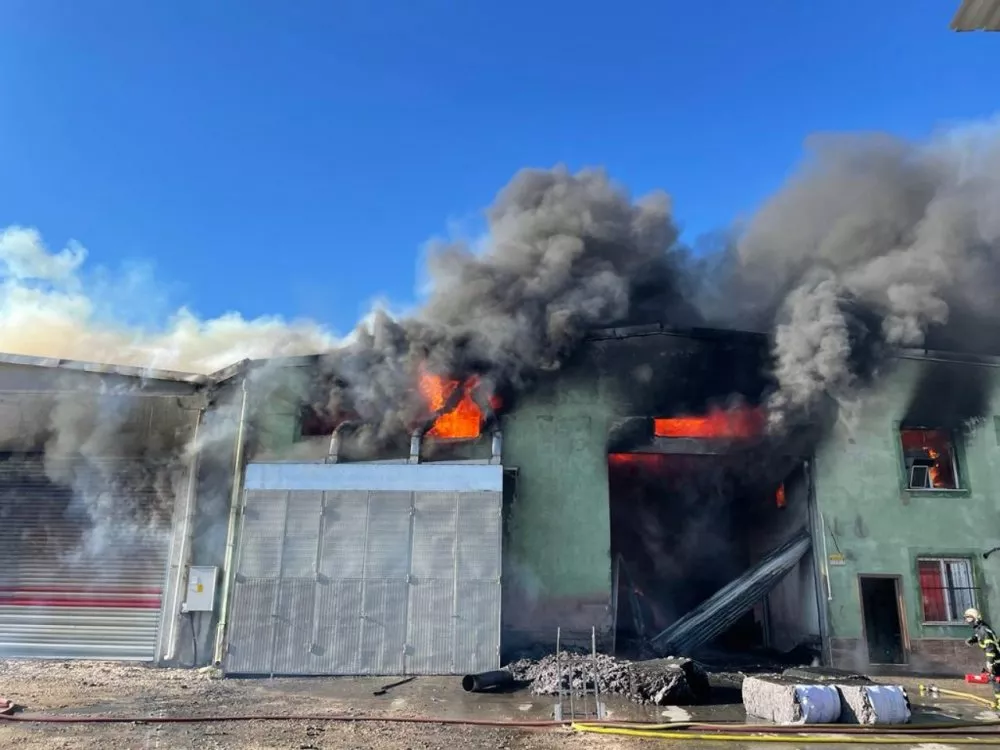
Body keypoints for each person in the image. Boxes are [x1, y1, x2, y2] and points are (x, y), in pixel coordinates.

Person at [965, 607, 1000, 709]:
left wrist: (990, 662)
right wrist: (973, 639)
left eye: (969, 618)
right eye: (966, 618)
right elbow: (979, 636)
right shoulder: (981, 628)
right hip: (997, 659)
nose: (968, 621)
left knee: (996, 681)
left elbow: (990, 647)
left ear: (975, 618)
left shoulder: (983, 630)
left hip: (997, 659)